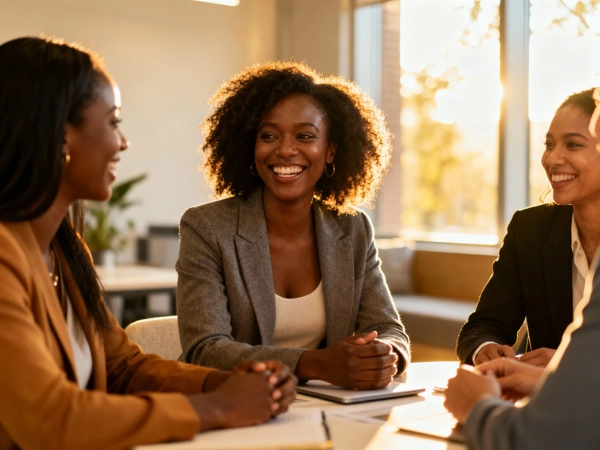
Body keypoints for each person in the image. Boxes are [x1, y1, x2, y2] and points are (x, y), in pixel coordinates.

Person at [0, 36, 296, 450]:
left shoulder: (65, 252)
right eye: (114, 122)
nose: (122, 143)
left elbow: (121, 367)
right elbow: (48, 419)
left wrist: (225, 383)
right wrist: (216, 409)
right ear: (61, 135)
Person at [176, 61, 410, 389]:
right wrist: (316, 364)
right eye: (269, 135)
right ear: (251, 146)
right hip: (236, 408)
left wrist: (385, 356)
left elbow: (389, 328)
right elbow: (205, 350)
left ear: (330, 151)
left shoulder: (353, 228)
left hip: (329, 410)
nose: (285, 149)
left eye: (305, 136)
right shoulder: (208, 228)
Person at [444, 87, 600, 449]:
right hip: (536, 415)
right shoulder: (530, 230)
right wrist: (486, 349)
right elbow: (481, 327)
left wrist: (563, 367)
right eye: (549, 144)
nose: (553, 159)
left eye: (573, 145)